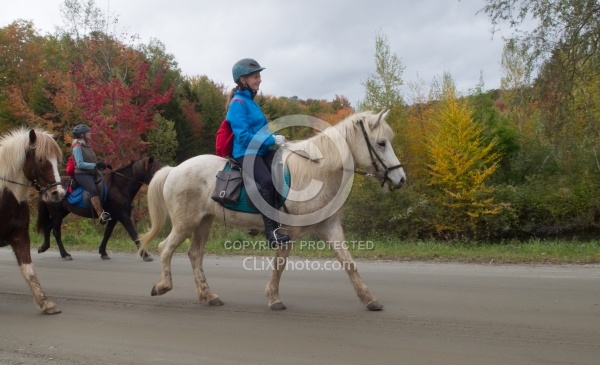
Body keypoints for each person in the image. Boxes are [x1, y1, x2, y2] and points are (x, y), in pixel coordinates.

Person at [226, 58, 290, 248]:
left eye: (259, 76)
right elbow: (244, 136)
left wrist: (278, 138)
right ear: (243, 80)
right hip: (245, 153)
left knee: (285, 168)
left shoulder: (252, 102)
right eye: (255, 76)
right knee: (267, 182)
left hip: (261, 150)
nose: (259, 79)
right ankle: (271, 232)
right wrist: (271, 140)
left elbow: (263, 131)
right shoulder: (238, 103)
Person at [71, 124, 111, 224]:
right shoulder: (77, 147)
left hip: (92, 173)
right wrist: (95, 165)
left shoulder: (87, 146)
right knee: (93, 189)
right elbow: (80, 164)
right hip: (82, 174)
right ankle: (101, 214)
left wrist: (104, 165)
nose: (90, 133)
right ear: (81, 135)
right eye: (87, 132)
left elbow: (92, 161)